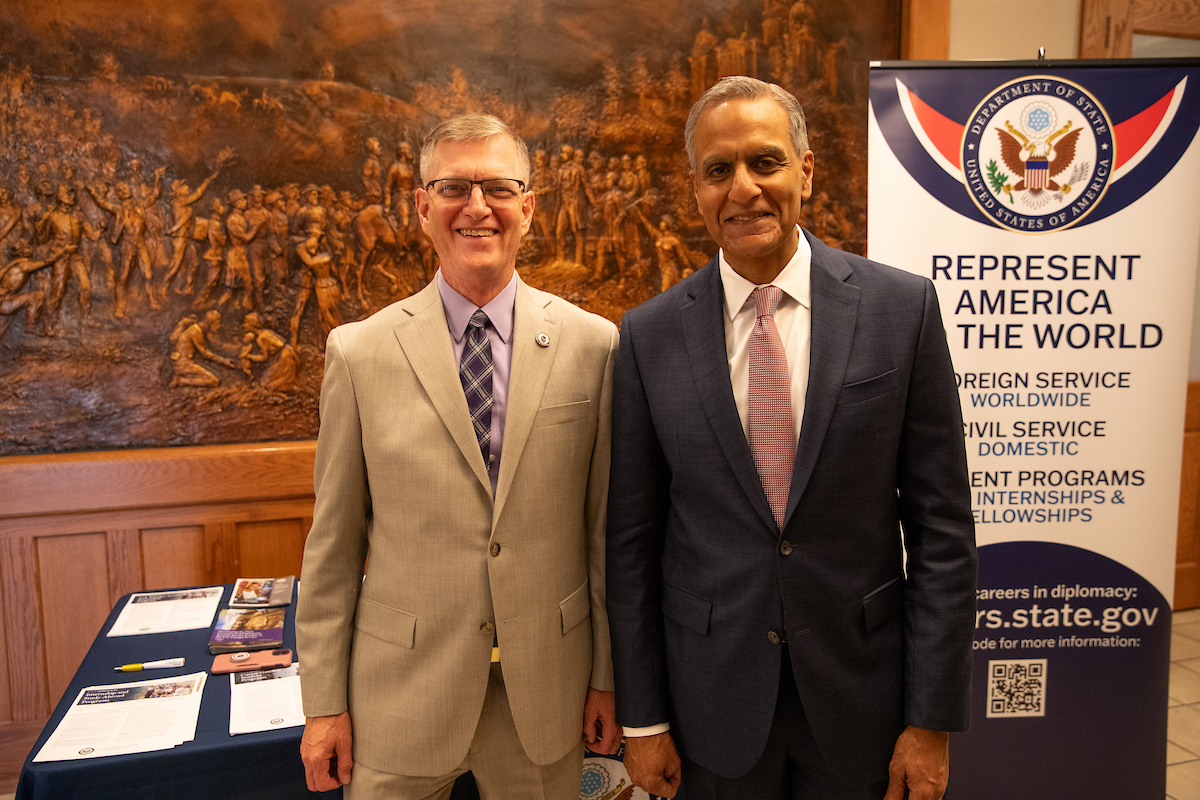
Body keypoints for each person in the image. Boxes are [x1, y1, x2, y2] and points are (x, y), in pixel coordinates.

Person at [605, 76, 976, 800]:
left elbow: (942, 531)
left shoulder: (901, 310)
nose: (743, 188)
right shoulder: (648, 336)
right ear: (696, 189)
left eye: (765, 162)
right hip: (708, 714)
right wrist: (642, 720)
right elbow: (632, 543)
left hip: (863, 704)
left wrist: (931, 720)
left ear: (806, 169)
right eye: (719, 170)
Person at [296, 113, 621, 799]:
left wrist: (608, 677)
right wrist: (323, 703)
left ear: (527, 208)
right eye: (453, 187)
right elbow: (332, 549)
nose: (478, 207)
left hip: (547, 693)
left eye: (498, 187)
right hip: (400, 699)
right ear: (422, 207)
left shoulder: (595, 347)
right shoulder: (359, 353)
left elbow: (604, 537)